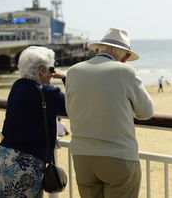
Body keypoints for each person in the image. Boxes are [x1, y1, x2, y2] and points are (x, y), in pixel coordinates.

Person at [65, 28, 154, 198]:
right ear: (126, 57)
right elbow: (146, 112)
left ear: (97, 50)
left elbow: (70, 110)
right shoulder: (124, 71)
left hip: (82, 156)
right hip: (118, 156)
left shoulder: (73, 71)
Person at [0, 46, 66, 197]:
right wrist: (66, 79)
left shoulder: (17, 86)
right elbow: (74, 106)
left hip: (3, 157)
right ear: (42, 70)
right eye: (52, 69)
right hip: (27, 165)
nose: (53, 74)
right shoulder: (47, 93)